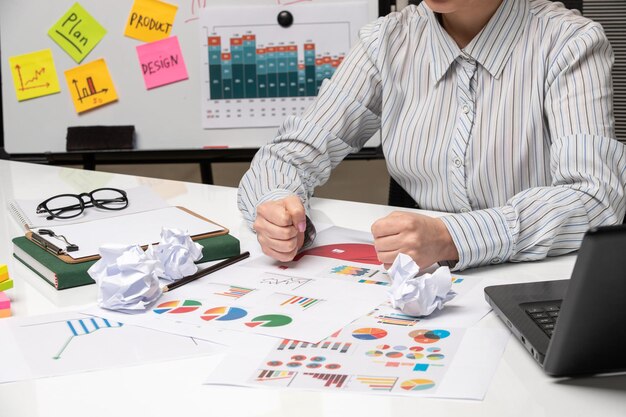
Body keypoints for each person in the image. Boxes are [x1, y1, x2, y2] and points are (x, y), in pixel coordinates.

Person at [237, 0, 626, 271]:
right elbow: (291, 154)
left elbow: (595, 197)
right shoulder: (387, 41)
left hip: (532, 275)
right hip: (416, 283)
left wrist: (454, 237)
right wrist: (276, 208)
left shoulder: (571, 42)